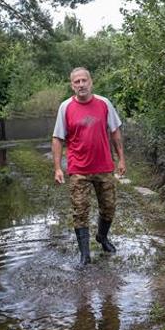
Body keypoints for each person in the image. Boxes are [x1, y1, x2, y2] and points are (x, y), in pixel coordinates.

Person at [52, 67, 126, 265]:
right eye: (77, 82)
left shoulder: (104, 104)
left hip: (104, 166)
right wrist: (58, 167)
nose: (81, 84)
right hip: (78, 170)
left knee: (109, 207)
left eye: (84, 80)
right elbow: (58, 138)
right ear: (72, 85)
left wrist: (121, 159)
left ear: (91, 82)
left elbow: (115, 132)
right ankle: (85, 254)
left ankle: (102, 237)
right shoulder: (65, 107)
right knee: (80, 211)